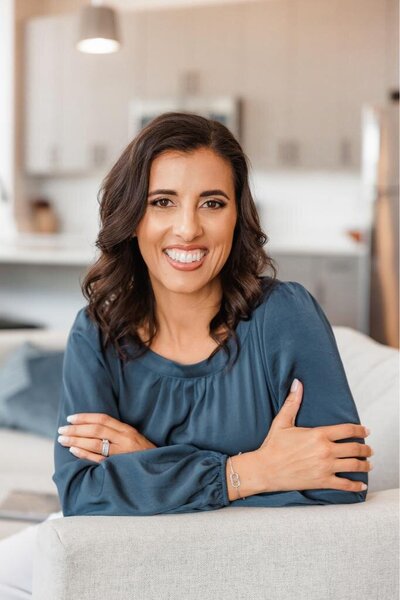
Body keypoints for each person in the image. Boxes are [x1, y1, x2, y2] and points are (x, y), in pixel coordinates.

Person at [0, 112, 373, 597]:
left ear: (238, 215)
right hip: (115, 571)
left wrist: (148, 466)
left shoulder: (285, 317)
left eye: (212, 203)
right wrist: (248, 472)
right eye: (163, 202)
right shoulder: (97, 332)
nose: (187, 228)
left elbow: (341, 479)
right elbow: (82, 495)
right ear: (133, 217)